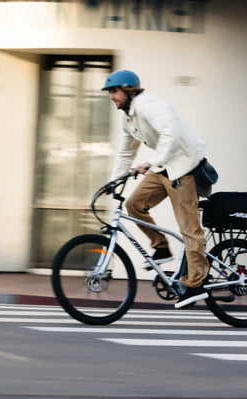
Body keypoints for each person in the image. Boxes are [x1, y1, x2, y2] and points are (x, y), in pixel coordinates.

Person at [102, 69, 210, 309]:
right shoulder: (128, 117)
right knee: (134, 205)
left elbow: (170, 133)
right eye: (109, 92)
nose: (111, 97)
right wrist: (113, 181)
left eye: (114, 91)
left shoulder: (148, 106)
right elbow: (126, 152)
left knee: (188, 227)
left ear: (129, 90)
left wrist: (152, 162)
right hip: (163, 166)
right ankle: (161, 248)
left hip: (184, 167)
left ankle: (196, 283)